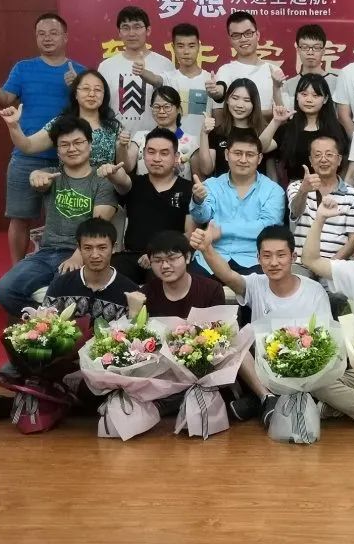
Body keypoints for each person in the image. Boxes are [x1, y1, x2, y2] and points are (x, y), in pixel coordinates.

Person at [189, 224, 331, 423]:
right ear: (258, 258)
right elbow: (227, 275)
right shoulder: (256, 283)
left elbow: (325, 339)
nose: (274, 262)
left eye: (281, 255)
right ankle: (267, 398)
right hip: (263, 365)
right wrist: (207, 249)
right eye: (266, 256)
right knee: (232, 339)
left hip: (303, 364)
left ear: (293, 257)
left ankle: (257, 401)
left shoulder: (314, 290)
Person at [0, 12, 88, 264]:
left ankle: (59, 269)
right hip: (26, 155)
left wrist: (77, 87)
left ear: (65, 37)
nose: (47, 38)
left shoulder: (80, 72)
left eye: (53, 33)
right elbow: (4, 100)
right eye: (41, 34)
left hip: (68, 158)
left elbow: (91, 109)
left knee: (64, 220)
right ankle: (17, 270)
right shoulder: (23, 68)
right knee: (20, 217)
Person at [0, 117, 118, 316]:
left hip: (79, 253)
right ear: (58, 151)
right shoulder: (51, 176)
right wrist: (35, 176)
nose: (72, 149)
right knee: (4, 290)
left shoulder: (102, 180)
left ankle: (51, 324)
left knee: (59, 294)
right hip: (46, 253)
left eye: (78, 142)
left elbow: (98, 227)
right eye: (64, 144)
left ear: (90, 145)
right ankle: (44, 323)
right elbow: (37, 178)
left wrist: (78, 256)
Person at [189, 133, 285, 277]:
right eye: (238, 153)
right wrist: (198, 200)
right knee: (192, 284)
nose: (243, 160)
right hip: (211, 257)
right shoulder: (212, 185)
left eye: (250, 155)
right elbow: (201, 217)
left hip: (253, 259)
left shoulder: (273, 190)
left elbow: (267, 227)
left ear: (259, 158)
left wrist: (222, 230)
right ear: (227, 155)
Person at [106, 127, 194, 283]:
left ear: (176, 157)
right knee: (109, 275)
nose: (156, 158)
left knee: (160, 278)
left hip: (168, 257)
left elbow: (190, 233)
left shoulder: (188, 189)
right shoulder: (134, 184)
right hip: (131, 257)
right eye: (151, 152)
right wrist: (111, 172)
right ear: (143, 154)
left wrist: (159, 253)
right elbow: (121, 179)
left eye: (164, 153)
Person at [0, 69, 122, 168]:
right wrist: (14, 126)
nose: (91, 94)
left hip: (104, 190)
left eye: (97, 90)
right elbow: (28, 146)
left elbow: (126, 164)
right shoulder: (62, 123)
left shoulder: (114, 127)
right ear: (76, 94)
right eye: (86, 88)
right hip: (69, 190)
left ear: (104, 95)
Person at [287, 134, 354, 283]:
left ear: (339, 160)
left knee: (339, 293)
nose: (323, 159)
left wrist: (329, 265)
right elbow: (295, 212)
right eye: (317, 155)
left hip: (336, 263)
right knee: (295, 286)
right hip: (300, 263)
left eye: (329, 154)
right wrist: (303, 191)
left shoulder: (353, 194)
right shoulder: (297, 187)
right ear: (311, 161)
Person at [41, 217, 139, 324]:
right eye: (88, 248)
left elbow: (135, 330)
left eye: (102, 248)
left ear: (114, 248)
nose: (95, 255)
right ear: (79, 248)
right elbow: (44, 324)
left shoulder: (131, 292)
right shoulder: (60, 285)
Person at [97, 6, 174, 130]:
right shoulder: (106, 66)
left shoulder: (165, 65)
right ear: (119, 32)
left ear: (148, 30)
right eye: (125, 28)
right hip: (116, 138)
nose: (131, 33)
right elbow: (100, 108)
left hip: (155, 139)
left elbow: (173, 107)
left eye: (137, 27)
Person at [276, 73, 348, 185]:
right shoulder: (287, 129)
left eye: (315, 95)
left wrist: (338, 189)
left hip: (329, 188)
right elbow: (263, 147)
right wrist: (275, 121)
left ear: (325, 99)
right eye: (304, 94)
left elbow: (345, 162)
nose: (309, 100)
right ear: (297, 96)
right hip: (297, 189)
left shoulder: (336, 129)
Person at [208, 11, 284, 113]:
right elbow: (219, 96)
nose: (243, 39)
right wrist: (216, 93)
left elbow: (283, 113)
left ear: (257, 35)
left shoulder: (274, 71)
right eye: (236, 35)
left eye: (248, 33)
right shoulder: (225, 71)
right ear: (230, 40)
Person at [137, 230, 225, 318]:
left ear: (187, 257)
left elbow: (220, 325)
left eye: (172, 258)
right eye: (157, 261)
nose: (165, 266)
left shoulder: (211, 290)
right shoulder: (145, 294)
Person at [195, 79, 271, 178]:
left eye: (247, 100)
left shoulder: (264, 132)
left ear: (254, 104)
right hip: (223, 187)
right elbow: (206, 169)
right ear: (227, 100)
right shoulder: (217, 132)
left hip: (256, 187)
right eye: (235, 98)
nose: (239, 105)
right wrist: (204, 133)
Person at [118, 86, 198, 179]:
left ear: (178, 109)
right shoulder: (140, 137)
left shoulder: (192, 142)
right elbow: (126, 167)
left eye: (167, 107)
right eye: (156, 107)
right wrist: (122, 146)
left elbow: (199, 178)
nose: (161, 111)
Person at [134, 22, 211, 115]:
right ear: (173, 47)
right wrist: (142, 71)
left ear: (199, 47)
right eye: (180, 46)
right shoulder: (168, 78)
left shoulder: (210, 81)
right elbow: (155, 79)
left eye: (191, 46)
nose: (186, 52)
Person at [280, 23, 338, 106]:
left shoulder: (337, 83)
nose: (310, 52)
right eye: (305, 47)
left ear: (323, 50)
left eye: (316, 47)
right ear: (298, 50)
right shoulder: (288, 85)